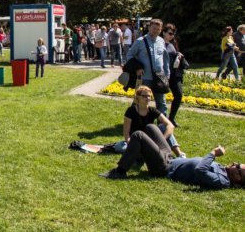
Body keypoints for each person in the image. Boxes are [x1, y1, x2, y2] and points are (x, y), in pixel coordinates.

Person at [101, 124, 244, 190]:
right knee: (152, 127)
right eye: (238, 163)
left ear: (238, 180)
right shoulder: (223, 171)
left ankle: (119, 172)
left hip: (164, 168)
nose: (235, 164)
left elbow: (200, 170)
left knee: (138, 135)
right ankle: (143, 153)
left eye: (238, 168)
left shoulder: (222, 181)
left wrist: (213, 153)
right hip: (170, 158)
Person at [116, 86, 185, 158]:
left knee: (163, 127)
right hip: (136, 140)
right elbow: (126, 133)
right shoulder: (131, 111)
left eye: (149, 96)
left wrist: (162, 140)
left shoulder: (152, 110)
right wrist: (130, 143)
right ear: (138, 97)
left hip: (150, 140)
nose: (147, 98)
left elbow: (170, 125)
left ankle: (180, 155)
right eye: (144, 96)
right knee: (119, 147)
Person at [125, 18, 171, 115]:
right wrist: (137, 67)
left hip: (160, 77)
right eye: (154, 28)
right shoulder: (140, 41)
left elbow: (165, 59)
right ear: (149, 27)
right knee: (140, 102)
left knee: (161, 103)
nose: (156, 31)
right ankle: (134, 121)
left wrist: (167, 75)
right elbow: (129, 55)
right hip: (145, 78)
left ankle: (163, 127)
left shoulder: (161, 41)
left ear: (161, 29)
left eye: (158, 29)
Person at [162, 24, 189, 126]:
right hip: (163, 74)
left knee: (178, 94)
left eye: (173, 34)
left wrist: (179, 55)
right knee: (161, 98)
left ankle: (171, 118)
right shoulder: (159, 43)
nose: (171, 36)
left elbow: (175, 54)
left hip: (174, 74)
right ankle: (161, 120)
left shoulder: (173, 43)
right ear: (163, 32)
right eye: (169, 33)